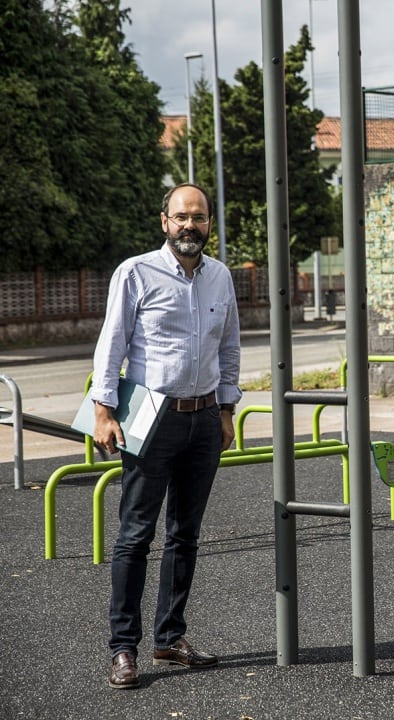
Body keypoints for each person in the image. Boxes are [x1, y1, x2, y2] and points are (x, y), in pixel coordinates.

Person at [92, 183, 242, 689]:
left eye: (198, 218)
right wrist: (102, 411)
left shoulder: (220, 277)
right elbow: (111, 343)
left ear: (209, 224)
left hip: (203, 420)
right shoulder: (136, 272)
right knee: (136, 535)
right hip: (149, 417)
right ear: (164, 222)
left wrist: (226, 411)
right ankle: (123, 648)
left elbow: (230, 348)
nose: (189, 226)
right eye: (181, 217)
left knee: (185, 534)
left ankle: (169, 637)